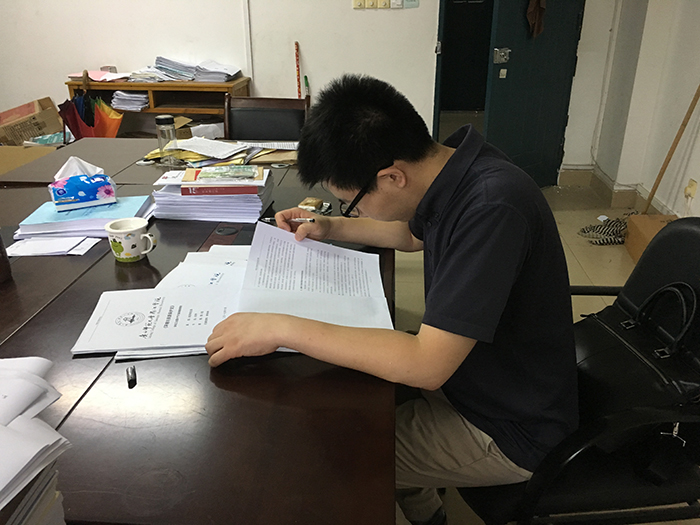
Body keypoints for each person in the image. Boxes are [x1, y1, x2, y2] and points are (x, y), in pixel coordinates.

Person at [205, 74, 578, 525]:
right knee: (330, 395)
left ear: (392, 177)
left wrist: (279, 326)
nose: (356, 211)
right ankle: (428, 514)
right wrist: (331, 227)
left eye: (352, 203)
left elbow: (425, 364)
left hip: (507, 426)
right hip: (470, 380)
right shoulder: (456, 167)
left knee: (322, 455)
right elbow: (412, 233)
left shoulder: (491, 208)